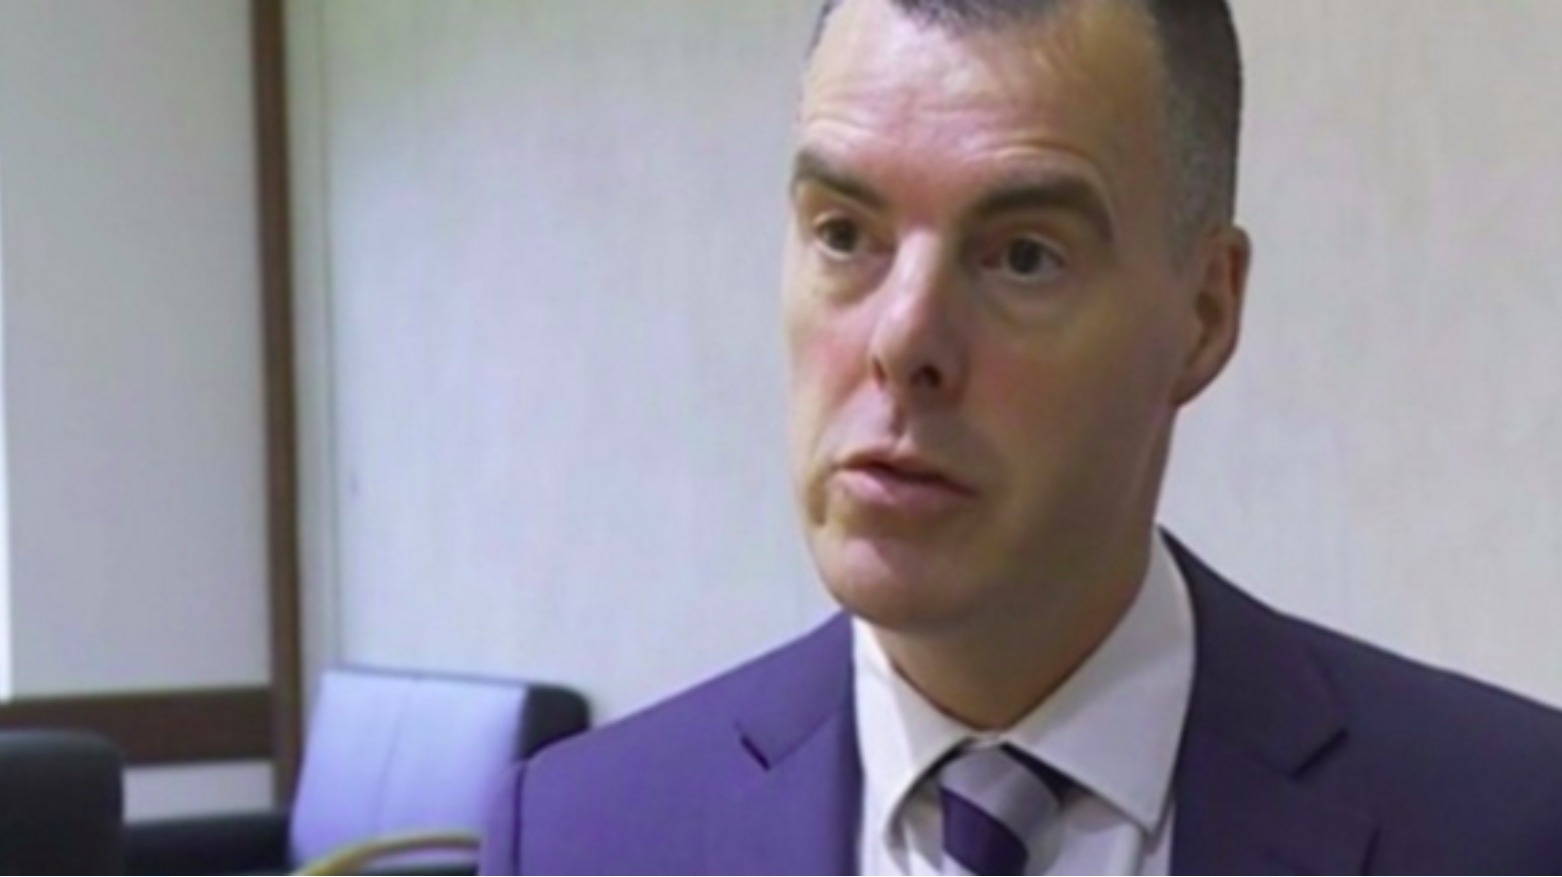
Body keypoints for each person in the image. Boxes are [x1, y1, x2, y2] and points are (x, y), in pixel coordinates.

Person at [481, 0, 1562, 873]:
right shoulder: (581, 835)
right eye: (844, 234)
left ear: (1203, 314)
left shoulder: (1508, 826)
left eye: (1023, 256)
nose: (902, 341)